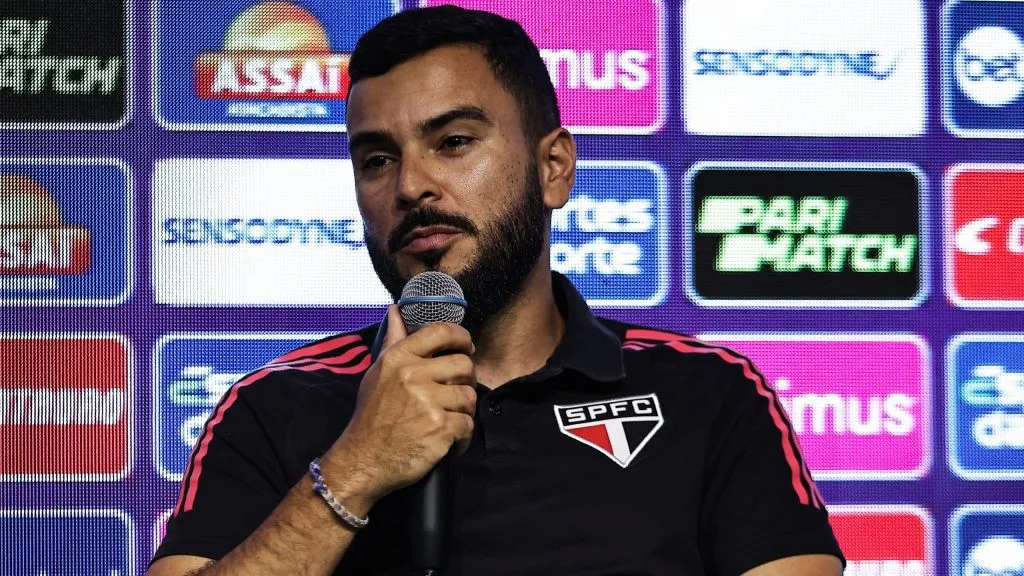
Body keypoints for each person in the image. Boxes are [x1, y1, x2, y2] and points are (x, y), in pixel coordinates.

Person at [148, 6, 845, 575]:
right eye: (377, 159)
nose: (410, 186)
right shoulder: (277, 406)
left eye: (452, 142)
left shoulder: (710, 393)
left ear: (554, 169)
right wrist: (357, 468)